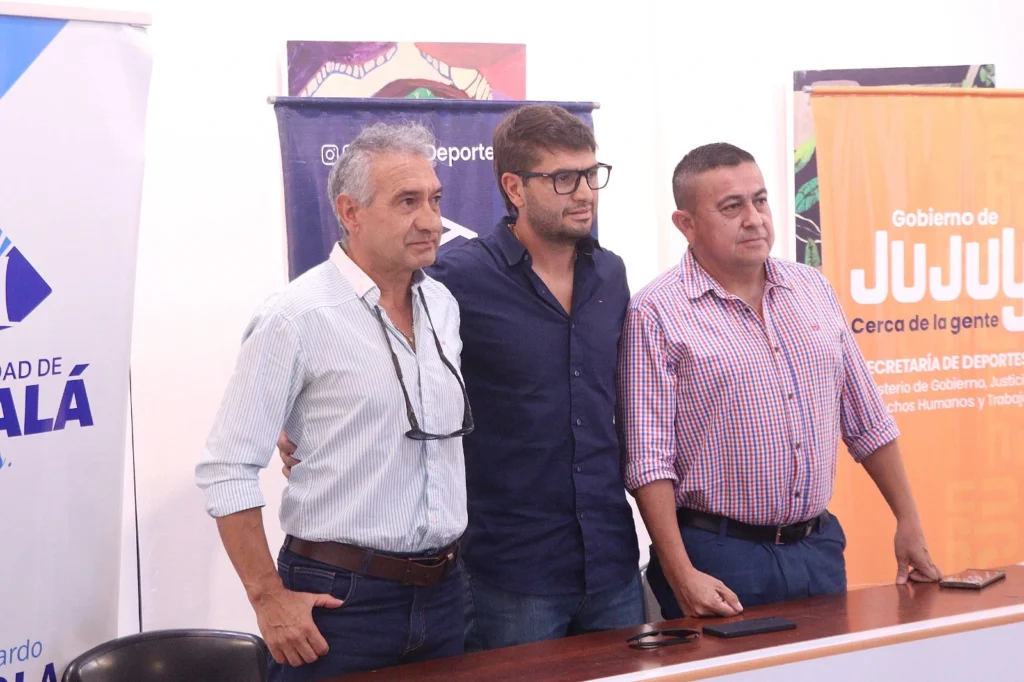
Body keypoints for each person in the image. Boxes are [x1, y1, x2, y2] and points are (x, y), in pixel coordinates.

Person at [280, 104, 644, 649]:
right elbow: (364, 344)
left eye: (592, 174)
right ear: (514, 188)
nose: (585, 192)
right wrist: (296, 422)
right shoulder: (454, 281)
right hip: (510, 571)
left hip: (612, 561)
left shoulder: (610, 274)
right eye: (564, 178)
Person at [618, 142, 942, 620]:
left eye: (760, 200)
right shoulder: (656, 313)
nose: (754, 219)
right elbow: (649, 462)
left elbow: (867, 420)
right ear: (686, 224)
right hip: (719, 557)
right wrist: (680, 571)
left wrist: (908, 519)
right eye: (732, 207)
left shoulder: (813, 288)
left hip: (817, 547)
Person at [195, 121, 471, 680]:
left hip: (445, 596)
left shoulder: (441, 304)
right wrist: (267, 597)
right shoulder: (296, 316)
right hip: (340, 600)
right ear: (351, 212)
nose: (432, 221)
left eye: (436, 199)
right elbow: (226, 468)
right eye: (408, 202)